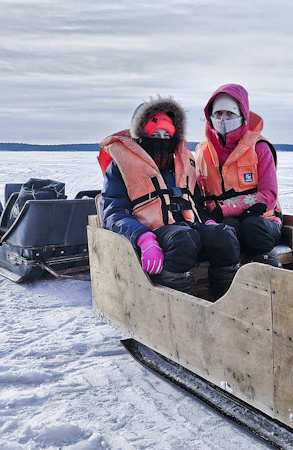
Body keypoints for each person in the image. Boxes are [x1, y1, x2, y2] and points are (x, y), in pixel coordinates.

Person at [98, 96, 240, 299]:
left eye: (167, 135)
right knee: (182, 239)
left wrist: (207, 222)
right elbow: (115, 213)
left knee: (225, 236)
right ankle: (179, 308)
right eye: (155, 134)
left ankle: (225, 303)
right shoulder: (120, 167)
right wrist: (143, 238)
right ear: (141, 136)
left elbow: (196, 204)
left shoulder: (184, 165)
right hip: (153, 233)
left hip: (188, 228)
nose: (162, 141)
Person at [195, 84, 283, 267]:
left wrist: (227, 206)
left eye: (230, 114)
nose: (223, 119)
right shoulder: (202, 152)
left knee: (252, 226)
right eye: (218, 114)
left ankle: (273, 282)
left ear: (242, 115)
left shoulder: (260, 148)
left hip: (264, 221)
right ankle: (227, 288)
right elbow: (197, 195)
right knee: (226, 232)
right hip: (225, 221)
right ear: (210, 116)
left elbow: (269, 196)